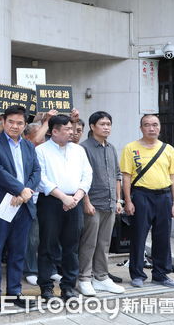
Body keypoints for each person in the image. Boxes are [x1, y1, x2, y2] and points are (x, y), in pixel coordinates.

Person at [0, 105, 41, 311]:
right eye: (11, 122)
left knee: (18, 251)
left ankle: (15, 291)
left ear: (25, 125)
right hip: (2, 205)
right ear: (4, 122)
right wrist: (19, 190)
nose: (15, 126)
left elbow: (36, 171)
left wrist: (25, 192)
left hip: (24, 207)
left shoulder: (28, 146)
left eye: (19, 123)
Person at [121, 114, 174, 288]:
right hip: (141, 196)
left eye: (155, 125)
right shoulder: (130, 148)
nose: (151, 128)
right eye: (147, 125)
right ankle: (137, 274)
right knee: (138, 236)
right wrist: (128, 201)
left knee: (162, 237)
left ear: (160, 127)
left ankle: (161, 274)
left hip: (164, 197)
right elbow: (126, 176)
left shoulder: (168, 149)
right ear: (141, 128)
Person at [35, 114, 92, 302]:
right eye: (67, 129)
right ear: (54, 131)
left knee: (71, 247)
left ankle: (68, 286)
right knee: (48, 246)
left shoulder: (78, 150)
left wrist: (76, 196)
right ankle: (46, 287)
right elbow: (41, 178)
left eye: (72, 129)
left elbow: (87, 174)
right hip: (51, 202)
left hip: (74, 201)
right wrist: (63, 197)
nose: (72, 132)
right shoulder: (41, 150)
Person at [77, 111, 125, 296]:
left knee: (104, 243)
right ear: (92, 127)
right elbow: (82, 178)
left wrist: (118, 200)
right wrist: (86, 202)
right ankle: (84, 278)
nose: (106, 127)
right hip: (92, 204)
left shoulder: (111, 147)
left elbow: (117, 175)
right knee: (89, 242)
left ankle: (101, 277)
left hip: (111, 203)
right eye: (102, 124)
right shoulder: (84, 148)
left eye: (108, 124)